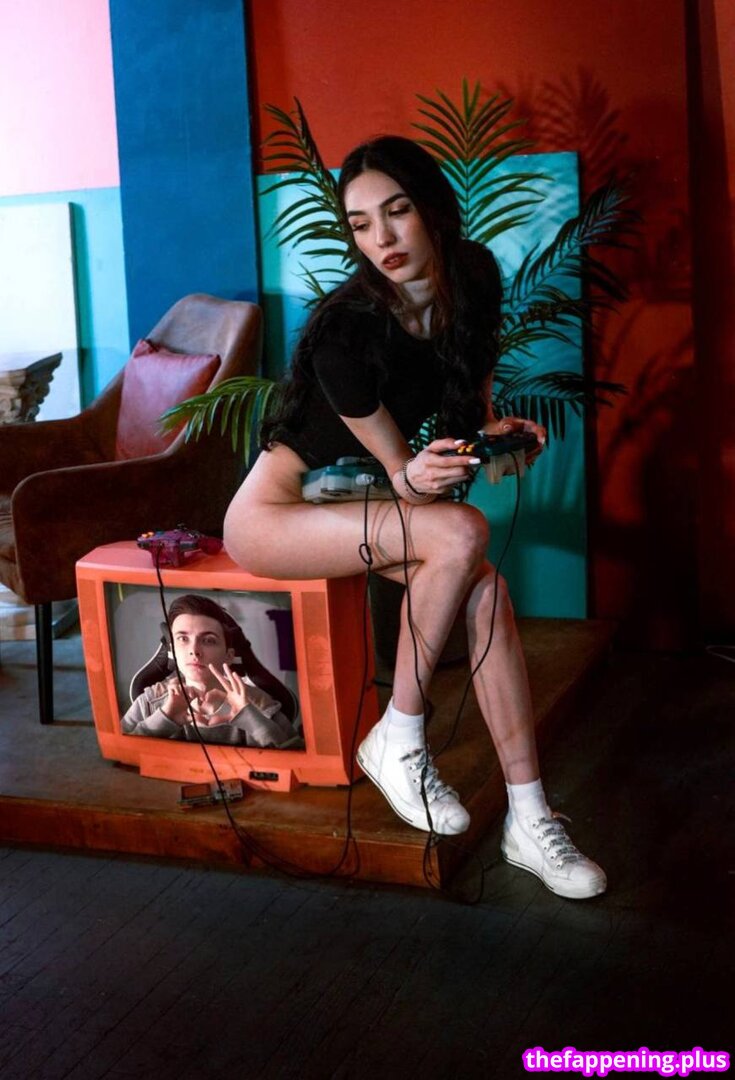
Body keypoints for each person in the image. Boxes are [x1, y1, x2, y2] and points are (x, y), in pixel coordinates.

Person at [223, 135, 606, 899]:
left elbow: (461, 419)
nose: (382, 238)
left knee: (485, 592)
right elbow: (404, 478)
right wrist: (416, 475)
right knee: (461, 534)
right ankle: (398, 734)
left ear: (431, 208)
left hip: (357, 506)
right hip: (278, 513)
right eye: (361, 223)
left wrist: (493, 442)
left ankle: (529, 815)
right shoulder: (348, 328)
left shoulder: (472, 277)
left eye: (396, 212)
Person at [121, 594, 298, 748]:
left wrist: (250, 719)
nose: (194, 651)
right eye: (183, 639)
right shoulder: (150, 701)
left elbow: (296, 758)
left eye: (208, 640)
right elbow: (117, 756)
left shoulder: (258, 703)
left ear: (229, 656)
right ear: (172, 651)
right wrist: (164, 718)